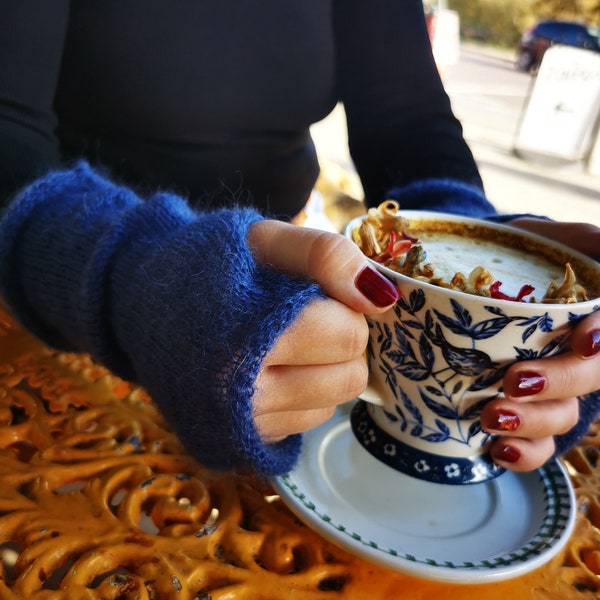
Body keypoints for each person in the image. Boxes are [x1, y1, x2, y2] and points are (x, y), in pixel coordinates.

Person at [0, 0, 599, 477]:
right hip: (54, 312)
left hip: (281, 319)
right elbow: (9, 134)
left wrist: (474, 247)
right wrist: (134, 280)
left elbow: (406, 121)